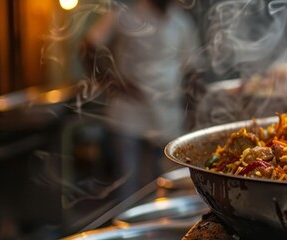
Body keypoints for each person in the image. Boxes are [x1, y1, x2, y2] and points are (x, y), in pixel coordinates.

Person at [83, 0, 201, 196]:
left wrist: (192, 110)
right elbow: (88, 47)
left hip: (167, 116)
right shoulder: (124, 15)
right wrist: (112, 82)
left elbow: (193, 70)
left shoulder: (181, 22)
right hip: (128, 114)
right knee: (128, 187)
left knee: (167, 185)